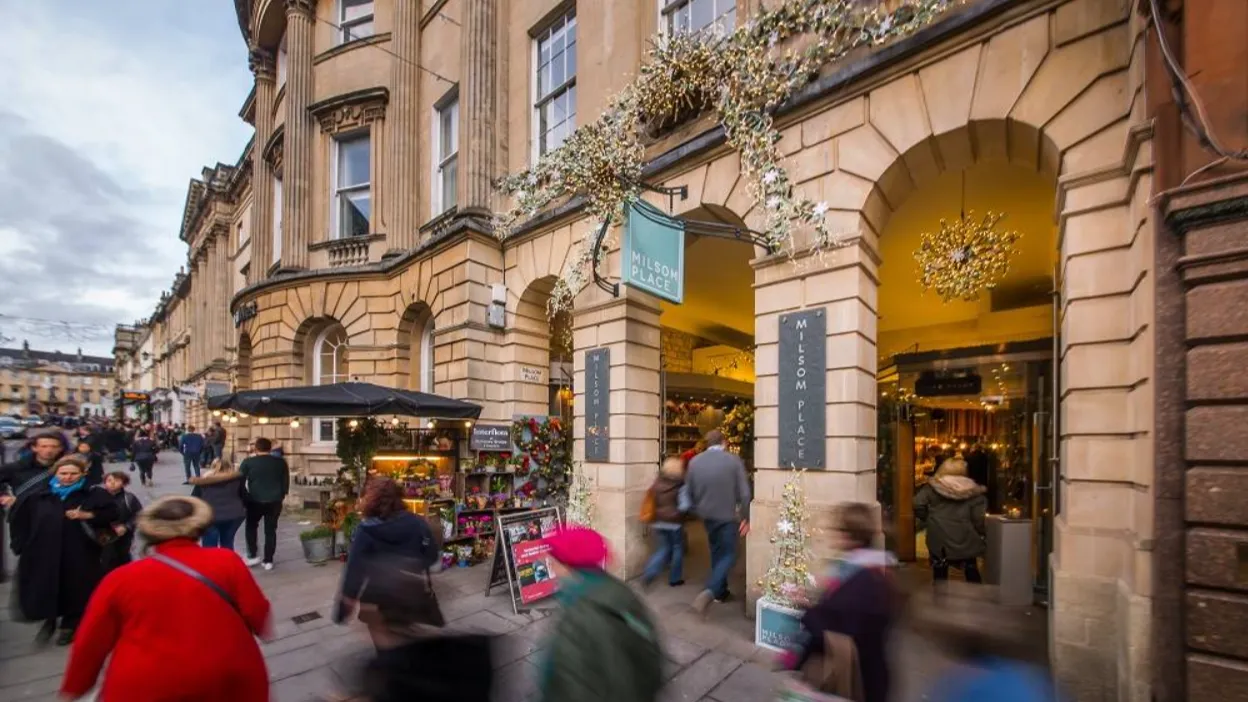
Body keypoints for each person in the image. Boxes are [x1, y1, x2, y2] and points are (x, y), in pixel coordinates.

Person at [59, 496, 273, 701]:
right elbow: (256, 611)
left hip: (147, 681)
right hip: (225, 673)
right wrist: (261, 629)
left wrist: (76, 685)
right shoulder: (226, 560)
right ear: (198, 528)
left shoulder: (119, 579)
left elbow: (90, 640)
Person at [779, 503, 899, 702]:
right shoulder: (878, 566)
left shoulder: (859, 577)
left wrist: (805, 605)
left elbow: (829, 624)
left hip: (852, 677)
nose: (831, 536)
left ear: (849, 536)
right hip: (873, 669)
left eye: (837, 530)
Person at [537, 526, 662, 702]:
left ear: (567, 566)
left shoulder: (577, 615)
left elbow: (567, 685)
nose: (552, 567)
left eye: (553, 561)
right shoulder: (621, 592)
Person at [6, 455, 118, 645]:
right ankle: (49, 620)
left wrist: (88, 514)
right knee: (46, 585)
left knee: (76, 588)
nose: (67, 477)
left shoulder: (93, 494)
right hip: (43, 550)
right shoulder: (39, 495)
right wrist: (19, 544)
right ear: (55, 473)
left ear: (82, 474)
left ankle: (69, 626)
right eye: (63, 473)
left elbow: (112, 514)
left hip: (79, 551)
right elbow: (20, 521)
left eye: (73, 474)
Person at [333, 477, 441, 648]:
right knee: (407, 635)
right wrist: (411, 566)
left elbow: (355, 570)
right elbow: (432, 555)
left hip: (377, 597)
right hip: (411, 592)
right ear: (399, 497)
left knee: (385, 646)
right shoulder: (417, 523)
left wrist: (345, 604)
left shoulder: (366, 530)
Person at [683, 429, 751, 613]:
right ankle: (711, 590)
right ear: (724, 442)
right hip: (728, 515)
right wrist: (746, 516)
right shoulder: (733, 460)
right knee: (731, 553)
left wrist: (697, 509)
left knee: (716, 550)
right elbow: (744, 493)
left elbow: (688, 491)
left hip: (706, 516)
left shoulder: (695, 462)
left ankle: (720, 592)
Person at [914, 457, 987, 583]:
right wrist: (981, 532)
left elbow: (917, 504)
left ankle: (940, 599)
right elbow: (978, 519)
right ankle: (977, 598)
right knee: (971, 570)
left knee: (940, 572)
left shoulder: (932, 487)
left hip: (939, 536)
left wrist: (929, 518)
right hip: (965, 536)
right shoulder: (972, 490)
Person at [240, 437, 290, 570]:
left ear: (256, 448)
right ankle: (268, 560)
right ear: (270, 448)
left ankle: (252, 554)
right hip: (274, 500)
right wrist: (281, 495)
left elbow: (239, 482)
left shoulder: (248, 462)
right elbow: (285, 482)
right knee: (270, 530)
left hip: (254, 500)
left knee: (251, 527)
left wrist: (245, 497)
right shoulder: (280, 462)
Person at [641, 456, 690, 589]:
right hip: (675, 523)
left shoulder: (657, 482)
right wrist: (680, 513)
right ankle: (675, 579)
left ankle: (649, 572)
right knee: (677, 549)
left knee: (663, 548)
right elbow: (685, 506)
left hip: (658, 521)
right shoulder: (681, 485)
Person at [191, 458, 248, 551]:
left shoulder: (203, 481)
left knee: (209, 544)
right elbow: (244, 496)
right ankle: (227, 562)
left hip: (210, 516)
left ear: (212, 467)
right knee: (228, 542)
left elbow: (194, 499)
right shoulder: (237, 479)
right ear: (230, 467)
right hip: (234, 515)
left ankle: (211, 563)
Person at [98, 470, 142, 572]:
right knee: (106, 559)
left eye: (117, 480)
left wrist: (127, 526)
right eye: (109, 480)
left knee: (123, 557)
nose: (112, 483)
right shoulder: (98, 497)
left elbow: (138, 515)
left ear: (124, 482)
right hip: (103, 535)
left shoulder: (129, 498)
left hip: (123, 535)